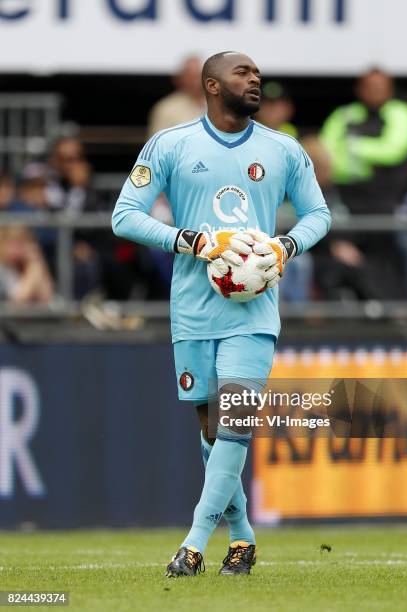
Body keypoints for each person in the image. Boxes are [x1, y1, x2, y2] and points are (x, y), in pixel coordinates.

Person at [112, 51, 331, 577]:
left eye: (257, 74)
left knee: (235, 423)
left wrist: (286, 247)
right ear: (212, 85)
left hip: (253, 310)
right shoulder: (171, 144)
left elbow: (318, 213)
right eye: (243, 72)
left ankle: (192, 544)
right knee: (212, 431)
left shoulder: (282, 149)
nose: (254, 79)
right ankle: (243, 536)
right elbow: (124, 216)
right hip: (192, 309)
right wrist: (187, 240)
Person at [320, 68, 407, 299]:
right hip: (349, 204)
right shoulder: (344, 114)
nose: (375, 91)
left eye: (380, 86)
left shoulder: (402, 113)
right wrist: (367, 157)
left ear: (390, 89)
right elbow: (327, 157)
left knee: (398, 256)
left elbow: (392, 151)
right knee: (344, 255)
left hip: (392, 205)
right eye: (370, 86)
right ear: (359, 89)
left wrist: (352, 148)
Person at [147, 56, 206, 136]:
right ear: (179, 79)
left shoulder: (218, 104)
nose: (197, 82)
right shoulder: (166, 108)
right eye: (191, 77)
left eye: (199, 76)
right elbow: (157, 143)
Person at [0, 225, 54, 304]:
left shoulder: (26, 265)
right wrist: (33, 264)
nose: (17, 249)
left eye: (21, 243)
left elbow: (46, 296)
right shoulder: (2, 267)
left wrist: (37, 261)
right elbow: (18, 300)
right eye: (12, 243)